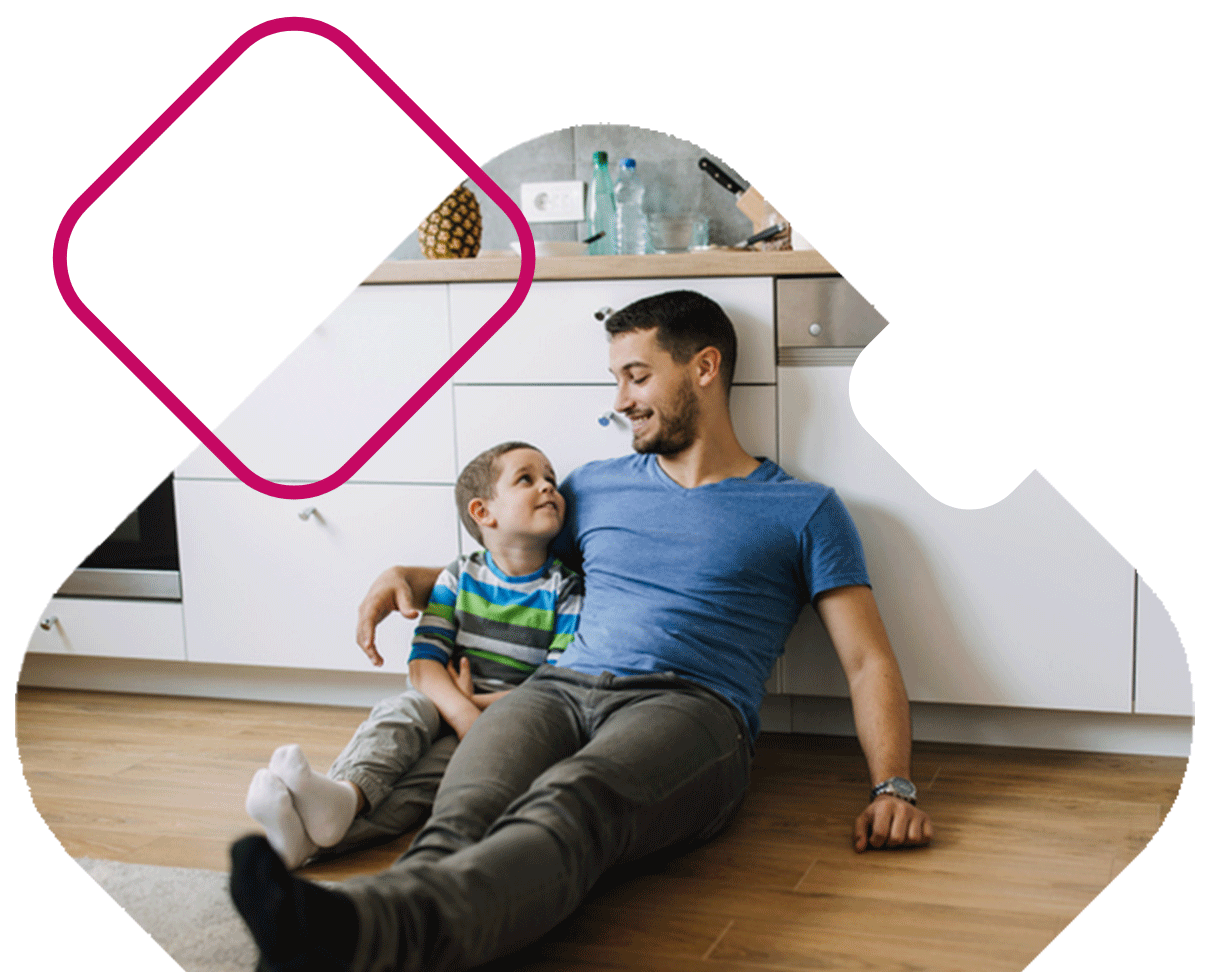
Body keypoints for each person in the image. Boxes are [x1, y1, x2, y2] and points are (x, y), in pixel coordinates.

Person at [230, 289, 934, 972]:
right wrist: (413, 576)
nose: (620, 399)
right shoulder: (592, 485)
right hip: (556, 690)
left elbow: (866, 659)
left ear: (704, 368)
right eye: (616, 379)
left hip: (689, 708)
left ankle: (361, 933)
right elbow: (514, 562)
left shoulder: (802, 510)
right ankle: (349, 936)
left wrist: (892, 788)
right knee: (462, 813)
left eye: (636, 376)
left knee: (571, 802)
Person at [242, 441, 582, 870]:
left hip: (510, 712)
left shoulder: (564, 589)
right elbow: (424, 665)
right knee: (402, 715)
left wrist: (477, 709)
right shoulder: (457, 577)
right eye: (527, 479)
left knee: (426, 787)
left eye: (551, 479)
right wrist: (461, 711)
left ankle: (310, 844)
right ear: (483, 513)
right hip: (441, 699)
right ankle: (344, 792)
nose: (549, 487)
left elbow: (556, 682)